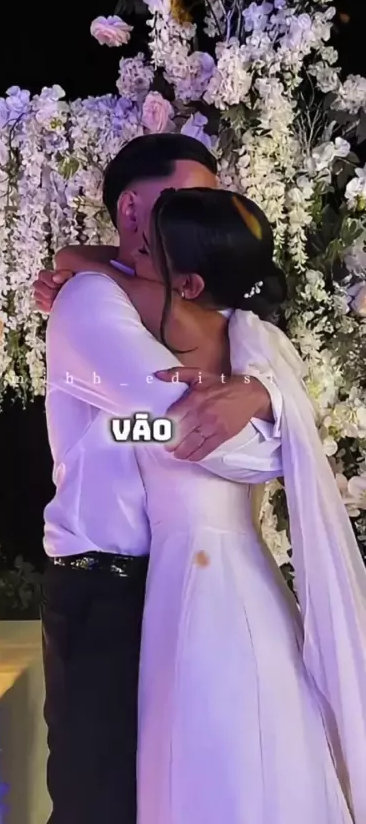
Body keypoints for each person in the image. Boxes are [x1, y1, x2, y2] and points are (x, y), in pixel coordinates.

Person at [46, 188, 366, 824]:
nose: (126, 258)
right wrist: (125, 429)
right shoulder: (209, 334)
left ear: (189, 283)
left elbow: (202, 442)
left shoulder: (247, 342)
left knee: (225, 758)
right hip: (192, 576)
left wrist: (254, 398)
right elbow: (87, 266)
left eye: (145, 252)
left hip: (213, 583)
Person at [35, 134, 282, 824]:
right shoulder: (89, 299)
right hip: (105, 585)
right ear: (133, 209)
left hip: (182, 583)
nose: (201, 218)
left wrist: (259, 396)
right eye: (186, 200)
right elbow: (171, 425)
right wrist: (257, 423)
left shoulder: (203, 307)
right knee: (101, 800)